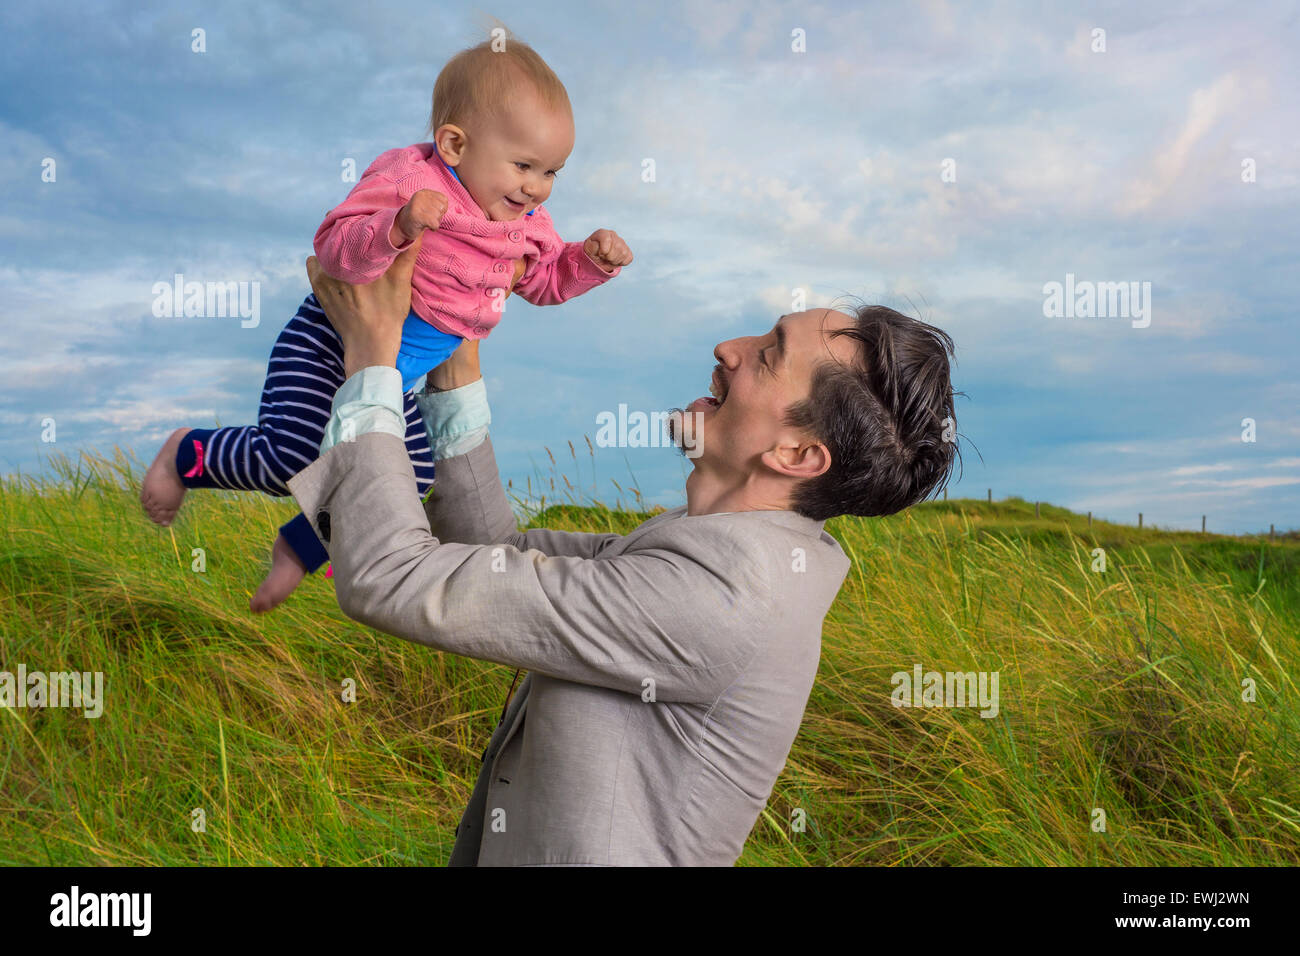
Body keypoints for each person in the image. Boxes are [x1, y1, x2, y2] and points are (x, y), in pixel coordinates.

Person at [289, 236, 960, 866]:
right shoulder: (710, 553)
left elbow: (390, 577)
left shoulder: (724, 599)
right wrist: (457, 355)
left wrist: (372, 364)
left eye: (767, 355)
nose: (729, 347)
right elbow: (492, 553)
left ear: (796, 454)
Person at [139, 35, 630, 613]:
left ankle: (298, 548)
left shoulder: (527, 222)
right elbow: (333, 247)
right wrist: (395, 228)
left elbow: (542, 283)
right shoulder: (410, 179)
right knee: (289, 458)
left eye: (552, 172)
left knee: (411, 475)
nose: (537, 187)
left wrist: (587, 263)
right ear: (453, 143)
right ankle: (187, 453)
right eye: (523, 165)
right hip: (327, 340)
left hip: (396, 376)